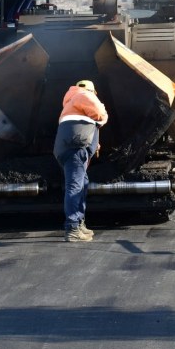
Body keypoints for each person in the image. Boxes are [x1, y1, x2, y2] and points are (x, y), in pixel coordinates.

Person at [53, 80, 108, 242]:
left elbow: (83, 125)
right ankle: (72, 228)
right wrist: (103, 111)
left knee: (81, 184)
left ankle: (79, 223)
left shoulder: (70, 103)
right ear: (92, 91)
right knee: (75, 186)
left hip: (68, 149)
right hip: (75, 149)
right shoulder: (83, 95)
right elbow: (100, 114)